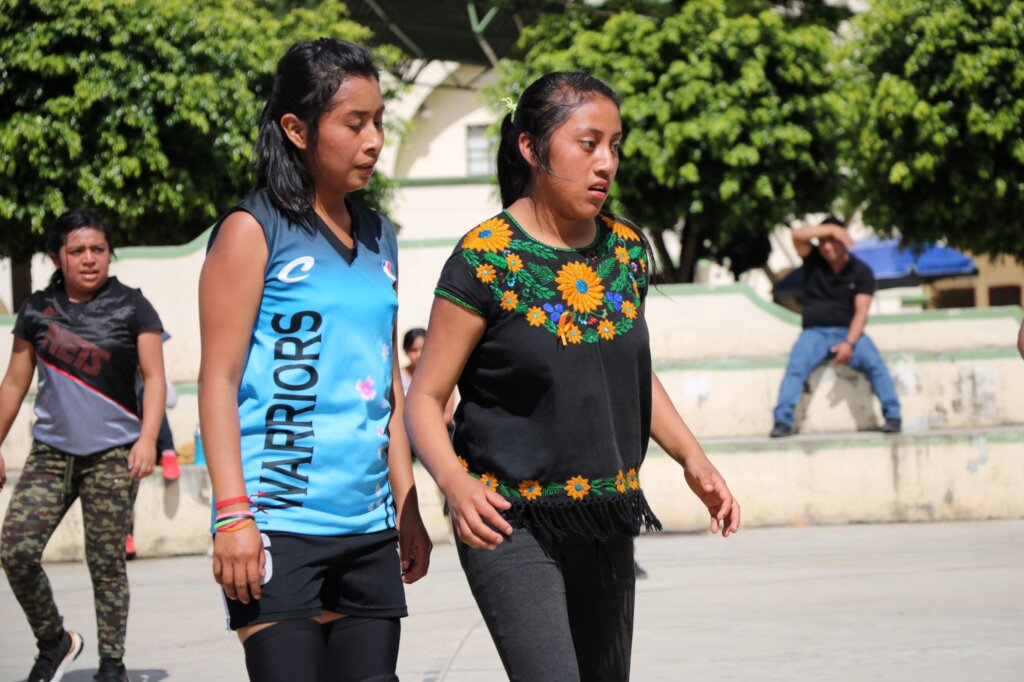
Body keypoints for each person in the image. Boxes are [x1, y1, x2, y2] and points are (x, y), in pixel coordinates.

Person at [404, 72, 740, 681]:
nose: (606, 162)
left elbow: (626, 370)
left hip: (607, 515)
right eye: (588, 144)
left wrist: (693, 458)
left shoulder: (626, 251)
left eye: (615, 145)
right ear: (531, 148)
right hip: (509, 522)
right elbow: (424, 398)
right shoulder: (484, 258)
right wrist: (456, 485)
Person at [198, 38, 431, 682]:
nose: (374, 139)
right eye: (354, 123)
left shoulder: (381, 234)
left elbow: (387, 394)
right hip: (275, 526)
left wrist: (407, 504)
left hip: (369, 529)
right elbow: (216, 381)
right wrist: (232, 514)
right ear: (297, 130)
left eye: (379, 120)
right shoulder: (253, 228)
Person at [0, 209, 166, 682]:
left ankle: (112, 664)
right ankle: (55, 641)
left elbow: (154, 378)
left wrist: (149, 439)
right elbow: (13, 385)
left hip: (114, 456)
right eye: (77, 251)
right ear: (57, 257)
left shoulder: (134, 306)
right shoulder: (35, 311)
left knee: (106, 562)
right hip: (50, 456)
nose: (90, 259)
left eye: (97, 249)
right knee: (14, 551)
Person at [769, 216, 902, 437]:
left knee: (876, 364)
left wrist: (849, 343)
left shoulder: (862, 271)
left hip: (848, 333)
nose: (827, 245)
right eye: (823, 240)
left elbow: (862, 311)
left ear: (843, 242)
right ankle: (782, 421)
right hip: (814, 332)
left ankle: (893, 416)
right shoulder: (812, 260)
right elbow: (796, 235)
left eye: (833, 239)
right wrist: (830, 229)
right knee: (796, 367)